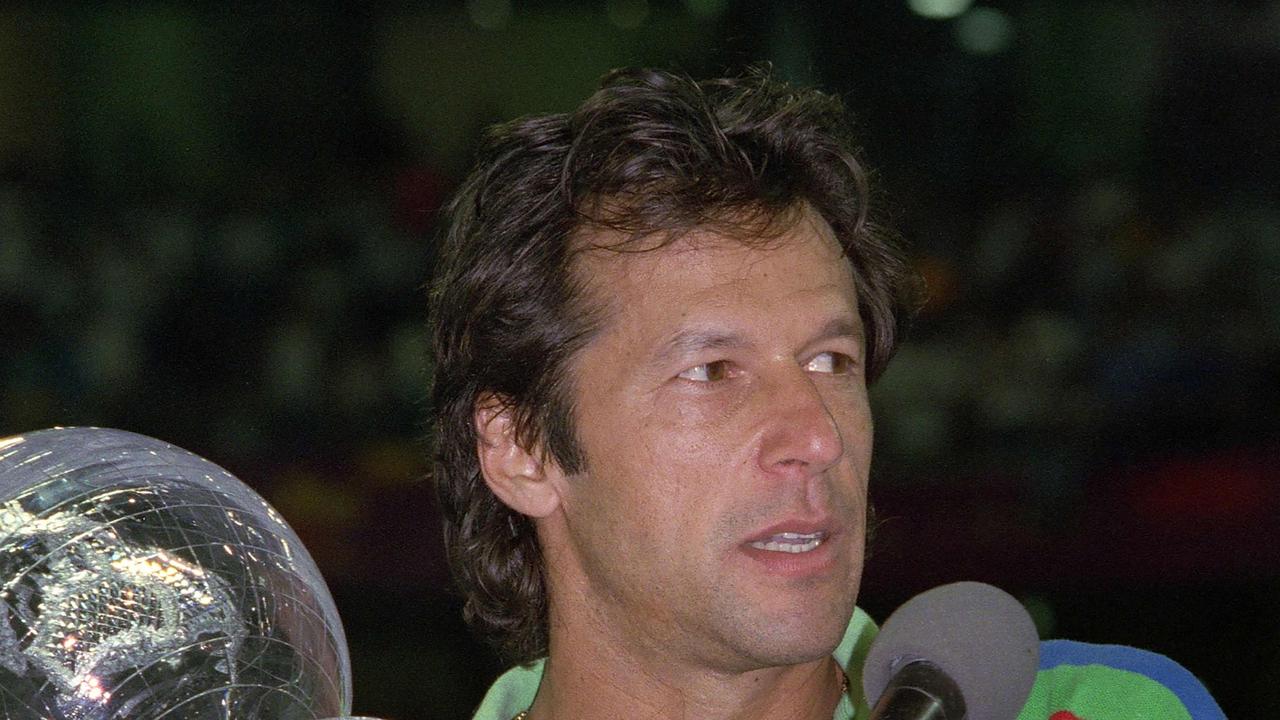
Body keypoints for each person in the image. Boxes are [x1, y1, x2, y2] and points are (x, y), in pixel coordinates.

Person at [427, 68, 1223, 720]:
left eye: (830, 361)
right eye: (712, 372)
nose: (818, 436)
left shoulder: (1106, 709)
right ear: (521, 448)